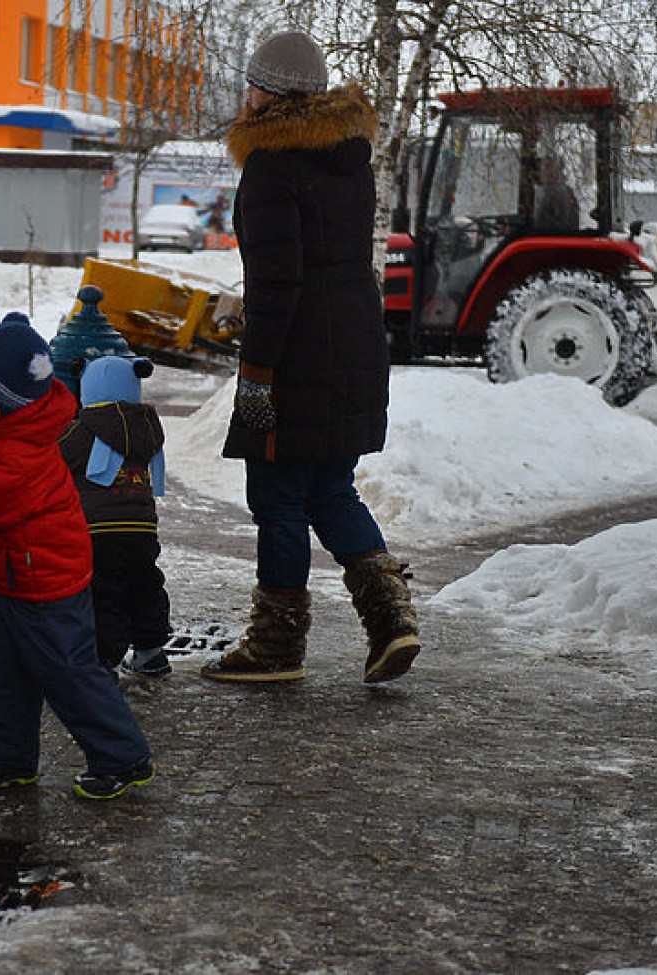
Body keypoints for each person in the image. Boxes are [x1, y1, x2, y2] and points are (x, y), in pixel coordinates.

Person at [199, 29, 420, 685]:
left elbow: (279, 281)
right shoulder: (349, 160)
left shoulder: (272, 165)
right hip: (354, 346)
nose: (246, 95)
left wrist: (257, 376)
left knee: (279, 496)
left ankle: (276, 646)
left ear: (270, 92)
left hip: (294, 358)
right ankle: (392, 621)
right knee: (329, 487)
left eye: (252, 83)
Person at [0, 312, 155, 800]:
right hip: (12, 576)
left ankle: (123, 757)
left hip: (45, 581)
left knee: (69, 673)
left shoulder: (17, 455)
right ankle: (7, 759)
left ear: (11, 402)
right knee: (5, 669)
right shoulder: (4, 410)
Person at [58, 355, 172, 678]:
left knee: (103, 592)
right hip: (142, 529)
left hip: (97, 530)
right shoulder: (147, 428)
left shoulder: (83, 429)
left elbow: (56, 456)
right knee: (144, 585)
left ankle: (102, 659)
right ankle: (151, 652)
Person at [534, 156, 579, 231]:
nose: (547, 171)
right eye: (544, 167)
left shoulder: (567, 195)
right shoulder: (534, 194)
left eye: (549, 166)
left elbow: (567, 224)